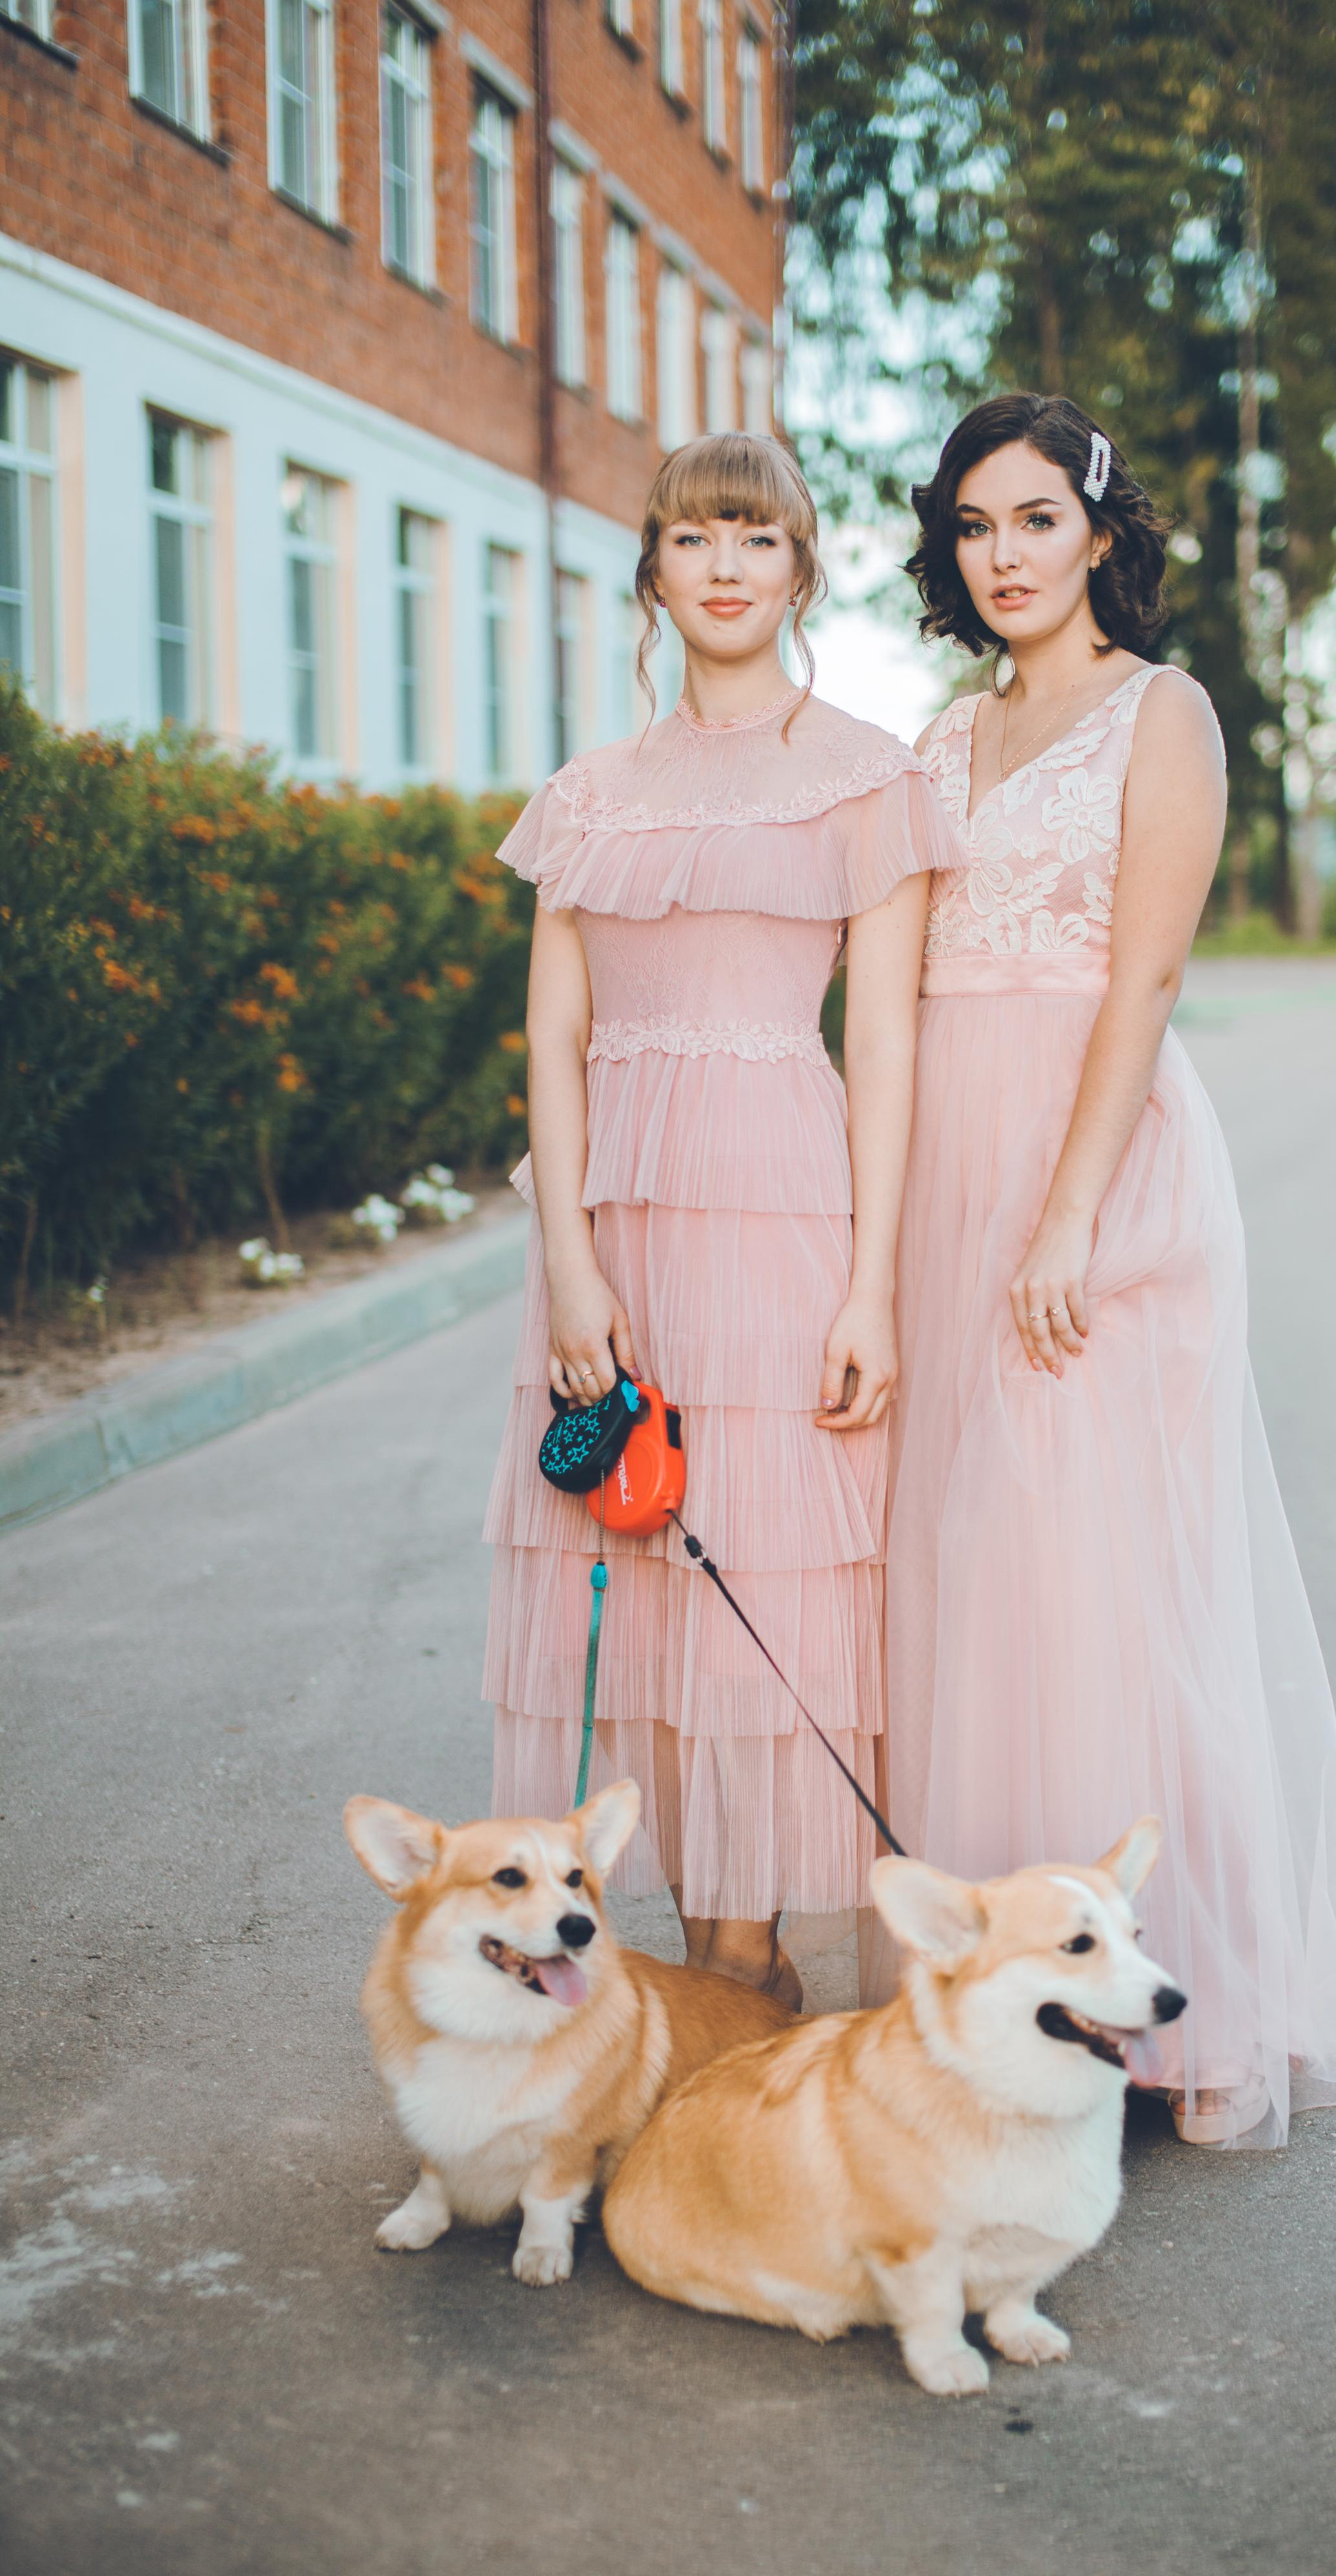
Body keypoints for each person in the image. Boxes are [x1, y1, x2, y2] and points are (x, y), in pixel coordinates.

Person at [873, 392, 1336, 2144]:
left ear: (1098, 533)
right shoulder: (938, 740)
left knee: (1109, 1578)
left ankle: (1191, 2015)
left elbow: (1143, 980)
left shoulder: (1161, 715)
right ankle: (1006, 2004)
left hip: (1098, 1168)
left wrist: (1068, 1214)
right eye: (971, 526)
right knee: (975, 1572)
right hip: (949, 1167)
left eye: (1034, 519)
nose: (1001, 555)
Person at [481, 432, 963, 2008]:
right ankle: (701, 1965)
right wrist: (568, 1267)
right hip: (616, 1228)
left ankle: (747, 1969)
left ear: (800, 572)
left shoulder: (867, 779)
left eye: (755, 538)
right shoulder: (587, 798)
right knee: (640, 1573)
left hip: (782, 1216)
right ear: (653, 574)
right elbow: (553, 1038)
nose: (725, 567)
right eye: (694, 539)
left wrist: (870, 1290)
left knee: (763, 1566)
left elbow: (881, 1049)